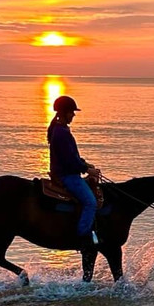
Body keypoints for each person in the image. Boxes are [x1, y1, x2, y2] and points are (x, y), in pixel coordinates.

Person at [47, 95, 102, 247]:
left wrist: (85, 164)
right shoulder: (61, 133)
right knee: (90, 202)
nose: (73, 115)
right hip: (67, 176)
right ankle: (83, 237)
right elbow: (69, 161)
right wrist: (87, 170)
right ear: (64, 112)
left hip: (68, 172)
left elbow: (71, 156)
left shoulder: (60, 130)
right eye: (71, 112)